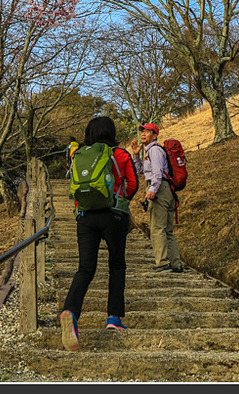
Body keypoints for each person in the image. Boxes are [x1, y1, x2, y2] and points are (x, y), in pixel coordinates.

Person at [60, 116, 138, 351]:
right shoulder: (121, 155)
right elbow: (132, 185)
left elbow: (73, 188)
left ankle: (71, 312)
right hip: (114, 214)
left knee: (85, 268)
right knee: (116, 265)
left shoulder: (79, 155)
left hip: (85, 216)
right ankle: (114, 318)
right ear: (111, 132)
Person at [129, 122, 183, 274]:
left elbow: (157, 173)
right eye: (142, 131)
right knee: (167, 230)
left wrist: (152, 189)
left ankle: (163, 263)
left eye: (147, 131)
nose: (143, 134)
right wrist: (136, 155)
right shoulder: (149, 151)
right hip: (166, 190)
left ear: (155, 135)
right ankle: (176, 264)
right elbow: (141, 171)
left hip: (160, 189)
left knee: (157, 228)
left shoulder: (154, 150)